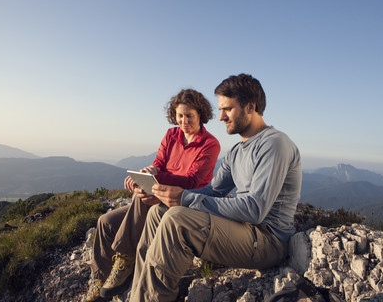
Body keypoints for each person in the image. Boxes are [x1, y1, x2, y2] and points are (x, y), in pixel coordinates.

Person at [129, 73, 302, 301]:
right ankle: (140, 293)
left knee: (177, 219)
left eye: (227, 109)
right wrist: (166, 196)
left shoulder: (273, 144)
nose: (220, 117)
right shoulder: (236, 152)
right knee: (158, 213)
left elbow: (254, 209)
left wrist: (184, 199)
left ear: (250, 107)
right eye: (221, 109)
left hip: (268, 240)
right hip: (244, 230)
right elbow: (213, 191)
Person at [85, 89, 221, 302]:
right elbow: (158, 163)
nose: (184, 121)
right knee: (105, 222)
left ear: (201, 114)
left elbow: (192, 181)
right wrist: (147, 173)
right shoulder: (171, 135)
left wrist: (157, 180)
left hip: (184, 202)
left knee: (143, 196)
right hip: (159, 195)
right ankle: (102, 282)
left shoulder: (210, 144)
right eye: (180, 116)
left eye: (189, 116)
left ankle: (125, 260)